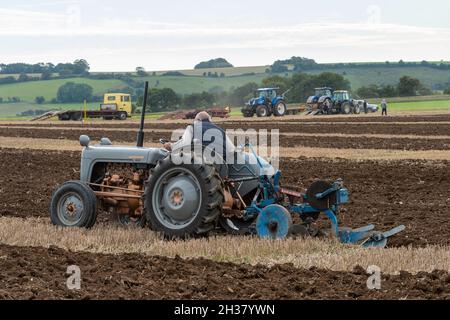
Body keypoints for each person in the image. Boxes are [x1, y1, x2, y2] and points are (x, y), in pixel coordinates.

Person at [164, 111, 234, 162]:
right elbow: (231, 150)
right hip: (221, 164)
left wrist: (171, 146)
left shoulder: (192, 127)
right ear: (210, 120)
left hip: (202, 162)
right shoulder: (221, 130)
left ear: (198, 120)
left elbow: (184, 144)